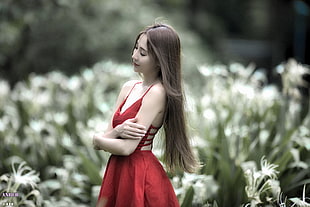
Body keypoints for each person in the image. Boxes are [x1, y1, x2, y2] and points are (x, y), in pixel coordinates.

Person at [92, 23, 198, 207]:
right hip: (117, 170)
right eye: (135, 48)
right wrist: (117, 130)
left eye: (142, 53)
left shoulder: (157, 93)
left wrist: (96, 139)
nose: (134, 56)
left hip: (138, 173)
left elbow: (126, 148)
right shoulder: (128, 87)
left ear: (160, 60)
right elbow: (110, 135)